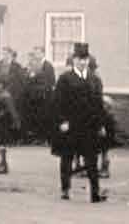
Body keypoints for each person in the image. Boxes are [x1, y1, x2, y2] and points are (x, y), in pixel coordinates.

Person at [51, 43, 107, 203]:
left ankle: (95, 193)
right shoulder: (65, 79)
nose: (82, 62)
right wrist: (62, 121)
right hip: (71, 125)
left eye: (85, 59)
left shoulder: (95, 80)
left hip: (89, 126)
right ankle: (65, 189)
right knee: (67, 157)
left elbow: (99, 105)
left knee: (92, 159)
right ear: (74, 60)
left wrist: (101, 124)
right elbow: (58, 103)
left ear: (88, 60)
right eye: (79, 59)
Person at [22, 46, 55, 144]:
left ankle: (44, 137)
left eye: (37, 52)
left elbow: (50, 81)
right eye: (35, 53)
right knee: (34, 115)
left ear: (42, 53)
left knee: (43, 116)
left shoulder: (48, 66)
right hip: (35, 96)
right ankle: (36, 136)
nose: (36, 55)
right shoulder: (35, 66)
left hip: (45, 96)